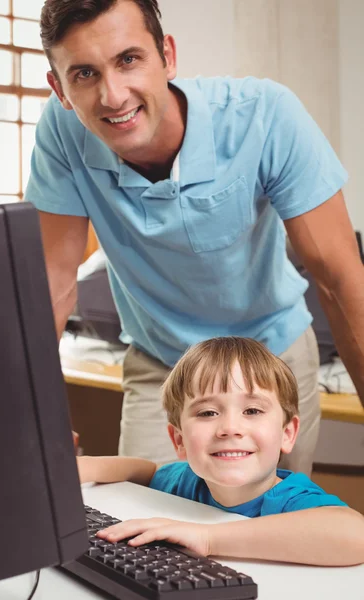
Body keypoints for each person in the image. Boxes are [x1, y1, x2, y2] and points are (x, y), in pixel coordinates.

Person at [26, 0, 364, 474]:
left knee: (268, 530)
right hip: (164, 363)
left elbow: (339, 280)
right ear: (59, 88)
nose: (113, 96)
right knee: (143, 526)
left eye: (128, 59)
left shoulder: (264, 116)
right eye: (84, 74)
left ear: (167, 55)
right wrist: (40, 418)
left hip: (271, 353)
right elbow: (53, 288)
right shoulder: (62, 134)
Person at [77, 337, 364, 566]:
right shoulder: (183, 481)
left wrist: (208, 538)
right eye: (208, 412)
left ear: (286, 434)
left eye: (252, 410)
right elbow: (147, 472)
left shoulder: (289, 501)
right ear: (179, 441)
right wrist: (83, 467)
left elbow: (354, 533)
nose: (229, 428)